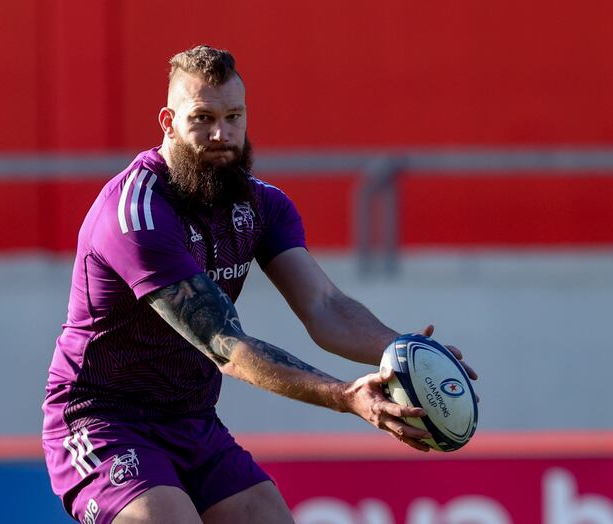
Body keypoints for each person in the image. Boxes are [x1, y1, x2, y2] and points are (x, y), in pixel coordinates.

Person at [42, 45, 477, 524]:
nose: (221, 134)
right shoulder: (137, 214)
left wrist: (408, 352)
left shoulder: (264, 206)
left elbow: (326, 306)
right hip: (103, 420)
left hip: (191, 422)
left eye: (233, 117)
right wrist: (345, 396)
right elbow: (225, 348)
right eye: (202, 117)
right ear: (167, 121)